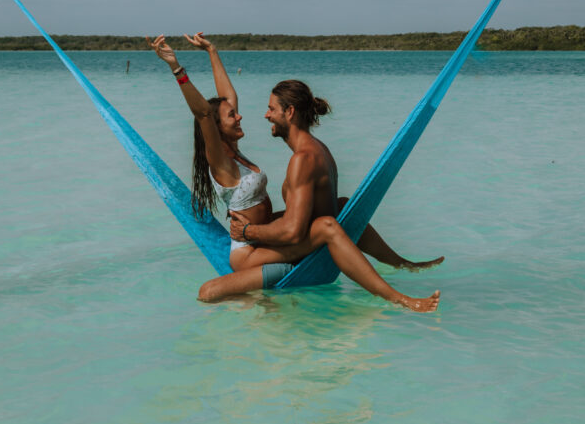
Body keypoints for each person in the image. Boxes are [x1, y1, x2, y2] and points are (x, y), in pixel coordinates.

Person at [147, 34, 442, 312]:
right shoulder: (221, 161)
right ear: (217, 128)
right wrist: (176, 68)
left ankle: (400, 264)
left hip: (261, 238)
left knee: (342, 207)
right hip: (248, 252)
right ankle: (400, 299)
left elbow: (227, 96)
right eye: (231, 116)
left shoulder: (236, 150)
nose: (239, 115)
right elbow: (202, 114)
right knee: (324, 227)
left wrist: (212, 52)